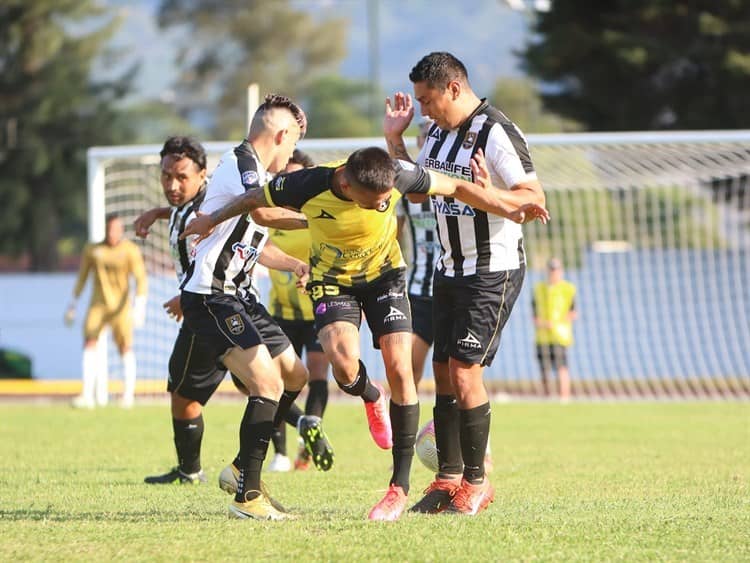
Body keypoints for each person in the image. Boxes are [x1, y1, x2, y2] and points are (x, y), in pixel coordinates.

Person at [181, 145, 548, 521]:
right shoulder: (306, 183)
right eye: (375, 201)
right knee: (342, 366)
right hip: (334, 281)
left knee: (401, 368)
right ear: (348, 184)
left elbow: (453, 187)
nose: (382, 204)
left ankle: (398, 489)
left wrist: (510, 206)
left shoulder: (397, 173)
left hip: (386, 276)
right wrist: (210, 220)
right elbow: (253, 199)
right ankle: (372, 395)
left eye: (386, 199)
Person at [384, 51, 547, 516]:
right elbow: (417, 189)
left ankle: (477, 483)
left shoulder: (497, 131)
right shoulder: (436, 133)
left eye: (429, 99)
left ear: (454, 88)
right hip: (449, 269)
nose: (425, 109)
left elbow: (531, 198)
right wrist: (394, 140)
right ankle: (446, 479)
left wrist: (484, 192)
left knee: (464, 371)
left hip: (492, 271)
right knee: (441, 373)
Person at [178, 94, 335, 521]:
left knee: (295, 376)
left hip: (241, 297)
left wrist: (295, 263)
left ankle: (239, 470)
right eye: (293, 142)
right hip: (212, 298)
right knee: (266, 384)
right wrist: (317, 218)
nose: (290, 154)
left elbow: (253, 245)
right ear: (282, 135)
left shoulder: (257, 171)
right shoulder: (243, 163)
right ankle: (248, 495)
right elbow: (264, 214)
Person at [397, 118, 495, 473]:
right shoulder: (409, 197)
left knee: (464, 375)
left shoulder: (458, 189)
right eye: (422, 140)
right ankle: (409, 444)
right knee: (406, 370)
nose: (429, 148)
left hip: (459, 286)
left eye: (431, 140)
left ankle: (478, 450)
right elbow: (395, 237)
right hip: (420, 293)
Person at [266, 149, 333, 473]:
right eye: (283, 178)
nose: (288, 183)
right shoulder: (267, 215)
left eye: (295, 178)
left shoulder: (319, 215)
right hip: (280, 312)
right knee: (273, 381)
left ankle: (312, 429)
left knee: (318, 374)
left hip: (318, 311)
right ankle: (280, 453)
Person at [65, 213, 147, 409]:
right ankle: (87, 395)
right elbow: (82, 277)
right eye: (109, 229)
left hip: (121, 307)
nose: (112, 233)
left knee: (125, 347)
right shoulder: (93, 250)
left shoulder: (130, 250)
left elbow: (140, 278)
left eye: (116, 229)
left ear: (121, 230)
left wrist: (140, 306)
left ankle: (128, 396)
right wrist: (72, 304)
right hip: (98, 305)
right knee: (89, 343)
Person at [533, 257, 577, 401]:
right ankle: (547, 397)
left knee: (561, 368)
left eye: (556, 270)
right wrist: (544, 324)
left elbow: (573, 312)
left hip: (560, 336)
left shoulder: (568, 288)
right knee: (544, 370)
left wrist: (558, 322)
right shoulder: (539, 289)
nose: (554, 273)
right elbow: (534, 315)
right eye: (551, 270)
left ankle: (564, 398)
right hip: (542, 337)